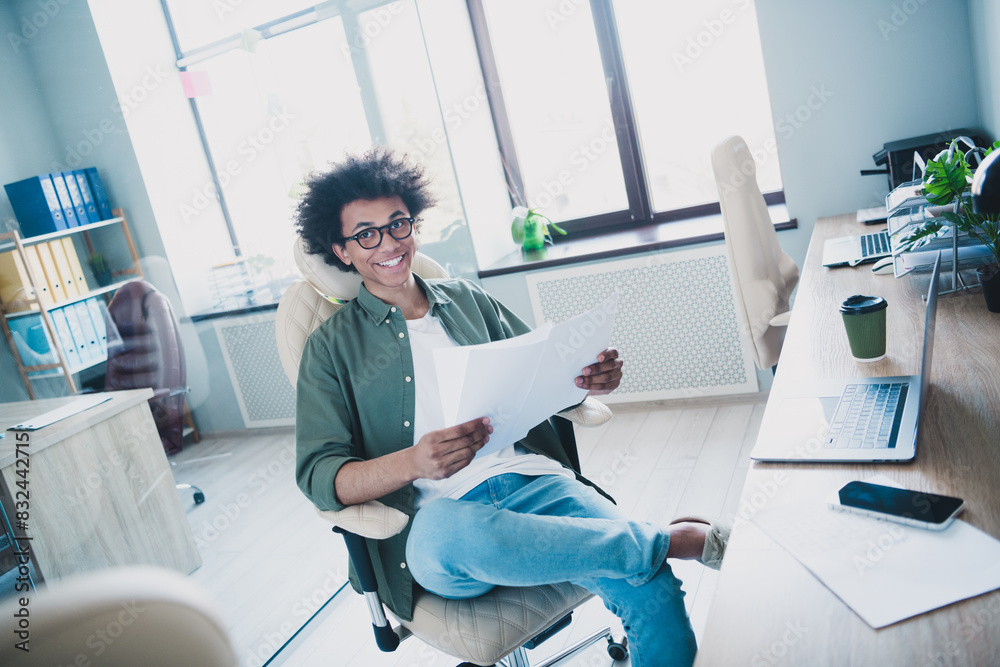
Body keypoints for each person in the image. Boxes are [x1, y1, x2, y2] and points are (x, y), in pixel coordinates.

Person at [294, 147, 727, 667]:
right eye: (366, 234)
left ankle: (647, 549)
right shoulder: (331, 349)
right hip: (440, 524)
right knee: (448, 532)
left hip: (534, 483)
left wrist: (587, 381)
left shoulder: (468, 300)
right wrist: (414, 462)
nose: (388, 244)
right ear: (342, 251)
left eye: (398, 224)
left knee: (652, 590)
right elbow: (322, 477)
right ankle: (670, 539)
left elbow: (542, 378)